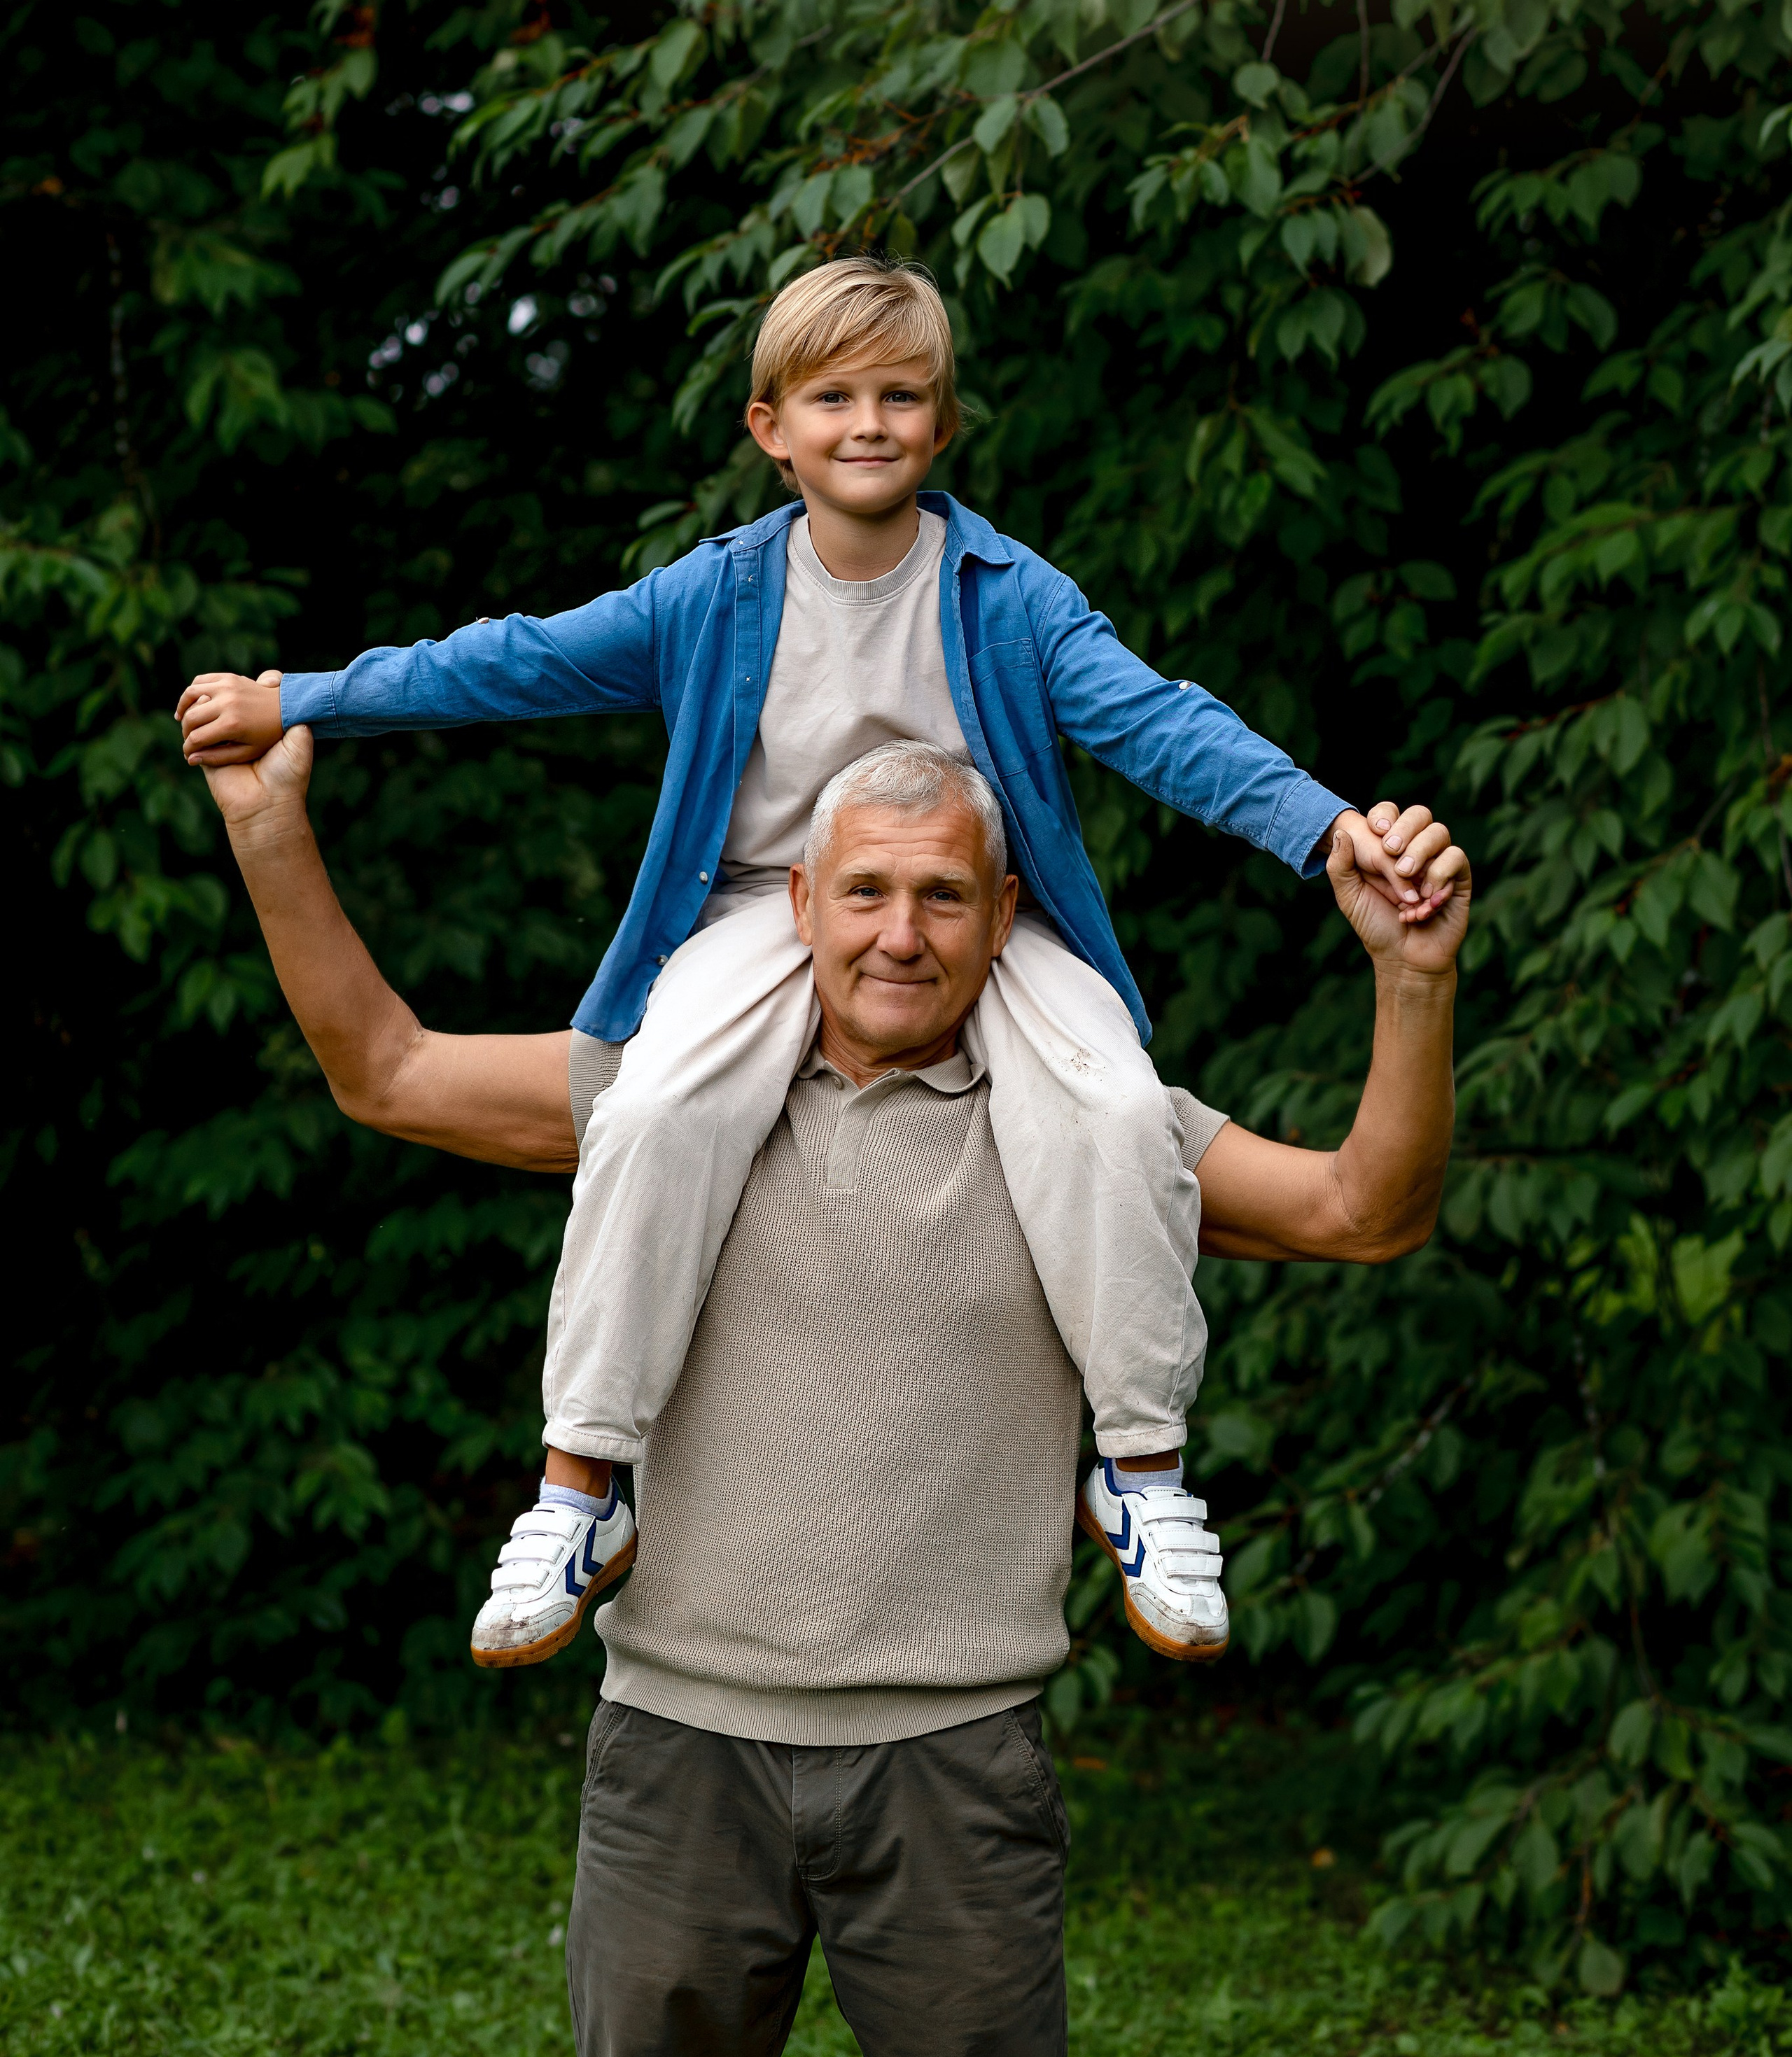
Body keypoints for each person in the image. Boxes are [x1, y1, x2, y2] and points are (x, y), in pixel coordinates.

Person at [174, 255, 1456, 1669]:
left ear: (944, 428)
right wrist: (304, 697)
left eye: (901, 396)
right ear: (767, 428)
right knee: (652, 1109)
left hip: (981, 926)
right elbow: (508, 662)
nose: (867, 423)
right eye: (831, 395)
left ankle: (1141, 1469)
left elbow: (1163, 725)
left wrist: (1323, 830)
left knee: (1111, 1111)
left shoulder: (1008, 599)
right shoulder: (714, 599)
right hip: (756, 921)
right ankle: (582, 1482)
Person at [200, 720, 1468, 2057]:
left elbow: (1360, 1213)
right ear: (798, 904)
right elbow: (383, 1069)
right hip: (677, 1751)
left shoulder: (1093, 1129)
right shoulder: (666, 1103)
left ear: (1004, 918)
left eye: (940, 896)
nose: (899, 936)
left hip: (956, 1766)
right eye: (863, 891)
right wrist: (267, 824)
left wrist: (1408, 978)